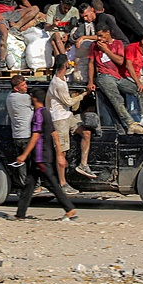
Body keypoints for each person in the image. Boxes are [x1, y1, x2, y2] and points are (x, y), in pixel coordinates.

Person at [13, 88, 77, 222]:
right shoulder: (46, 112)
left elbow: (35, 136)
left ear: (34, 99)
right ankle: (20, 214)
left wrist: (24, 155)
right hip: (41, 156)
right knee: (29, 185)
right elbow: (54, 134)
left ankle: (69, 209)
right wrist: (59, 154)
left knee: (52, 184)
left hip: (40, 156)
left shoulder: (38, 114)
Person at [87, 26, 143, 135]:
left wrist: (106, 50)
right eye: (98, 36)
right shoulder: (94, 45)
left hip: (118, 77)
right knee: (116, 98)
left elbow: (120, 61)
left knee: (141, 91)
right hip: (104, 76)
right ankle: (130, 124)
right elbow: (91, 64)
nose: (99, 39)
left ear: (108, 32)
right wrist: (90, 81)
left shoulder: (118, 44)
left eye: (101, 35)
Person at [46, 55, 95, 190]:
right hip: (59, 119)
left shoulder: (62, 78)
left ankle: (83, 165)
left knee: (86, 133)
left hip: (68, 115)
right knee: (62, 152)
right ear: (66, 65)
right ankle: (63, 183)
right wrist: (84, 94)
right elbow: (68, 102)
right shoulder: (57, 83)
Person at [7, 75, 34, 186]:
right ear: (16, 88)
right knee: (32, 162)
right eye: (23, 85)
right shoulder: (24, 98)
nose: (26, 86)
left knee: (22, 163)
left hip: (17, 135)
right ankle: (34, 185)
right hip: (26, 135)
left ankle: (24, 184)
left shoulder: (9, 96)